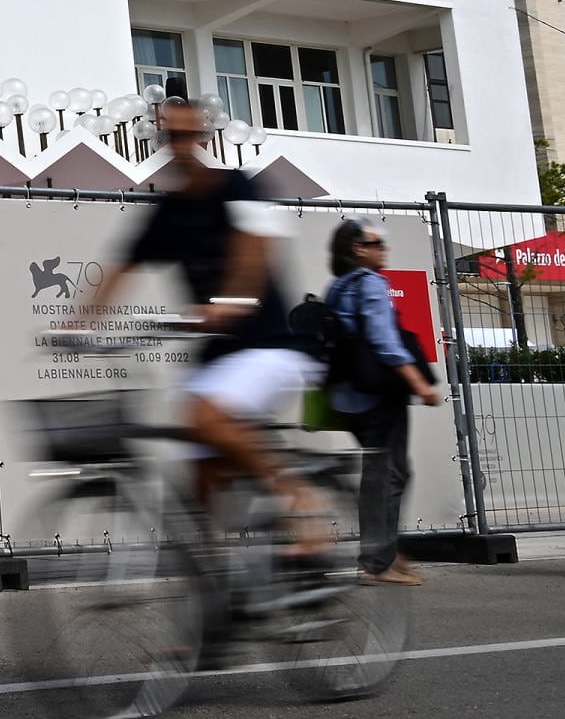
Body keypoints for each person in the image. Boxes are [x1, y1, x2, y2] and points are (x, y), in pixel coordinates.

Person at [76, 95, 332, 558]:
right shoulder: (167, 211)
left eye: (187, 134)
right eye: (169, 136)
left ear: (204, 136)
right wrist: (78, 325)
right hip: (215, 357)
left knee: (203, 417)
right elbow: (120, 268)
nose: (179, 144)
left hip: (268, 347)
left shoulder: (238, 186)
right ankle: (218, 607)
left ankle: (298, 497)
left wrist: (228, 302)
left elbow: (255, 248)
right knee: (199, 481)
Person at [325, 218, 440, 584]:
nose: (383, 249)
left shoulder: (338, 287)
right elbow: (384, 343)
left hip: (346, 397)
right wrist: (420, 383)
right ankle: (378, 561)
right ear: (358, 249)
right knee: (387, 475)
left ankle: (387, 550)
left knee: (386, 472)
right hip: (376, 396)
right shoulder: (372, 284)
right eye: (376, 244)